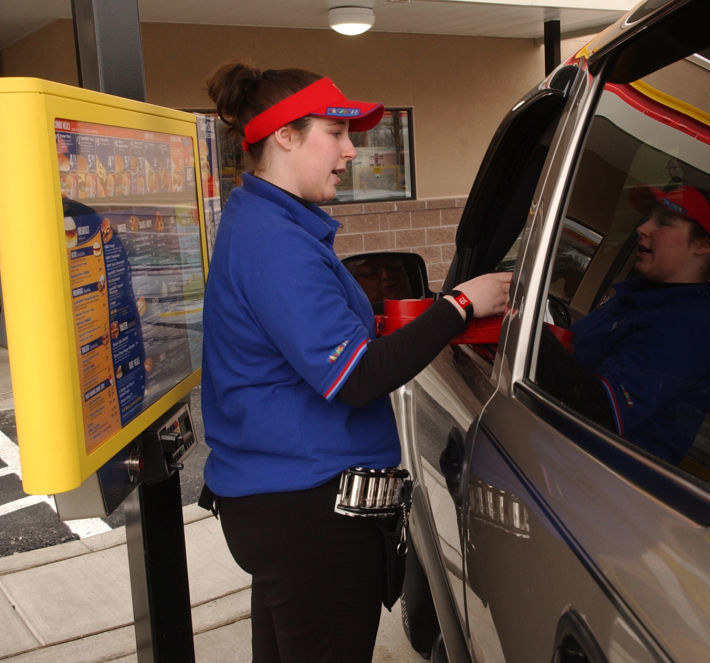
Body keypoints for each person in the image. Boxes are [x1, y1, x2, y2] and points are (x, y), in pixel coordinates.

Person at [200, 63, 510, 663]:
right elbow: (358, 377)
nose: (351, 151)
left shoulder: (267, 222)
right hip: (308, 513)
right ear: (285, 135)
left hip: (284, 504)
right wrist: (461, 305)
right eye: (336, 132)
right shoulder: (276, 242)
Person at [538, 185, 710, 464]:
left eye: (664, 222)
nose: (643, 228)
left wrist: (524, 332)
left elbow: (600, 410)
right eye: (647, 218)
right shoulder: (638, 299)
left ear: (703, 245)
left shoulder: (691, 330)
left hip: (600, 479)